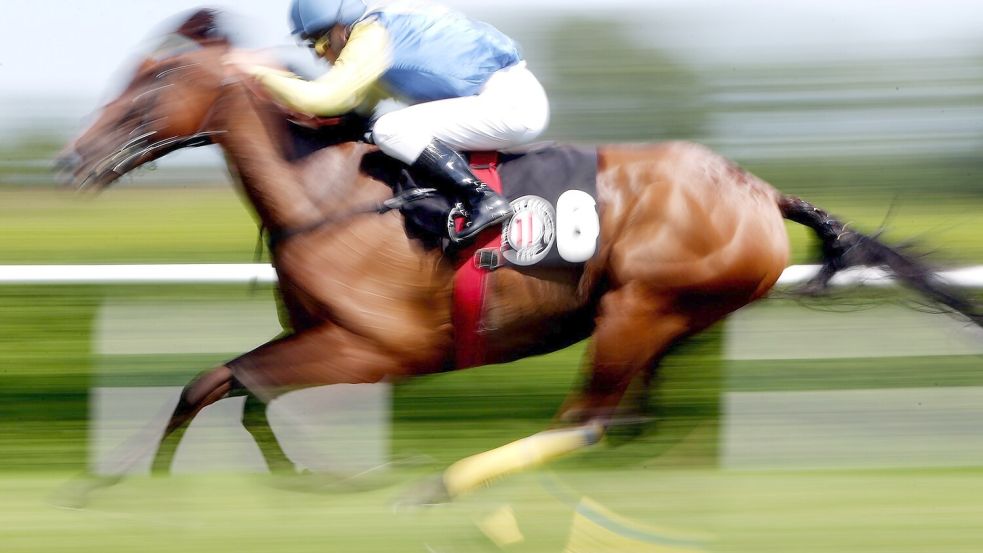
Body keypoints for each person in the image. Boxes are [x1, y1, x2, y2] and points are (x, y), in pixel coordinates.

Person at [240, 0, 551, 243]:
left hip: (510, 104)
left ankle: (482, 198)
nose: (319, 55)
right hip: (503, 97)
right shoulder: (379, 31)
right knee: (383, 130)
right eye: (311, 47)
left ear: (341, 28)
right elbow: (355, 106)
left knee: (391, 129)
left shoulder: (371, 35)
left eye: (320, 42)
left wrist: (259, 74)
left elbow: (327, 98)